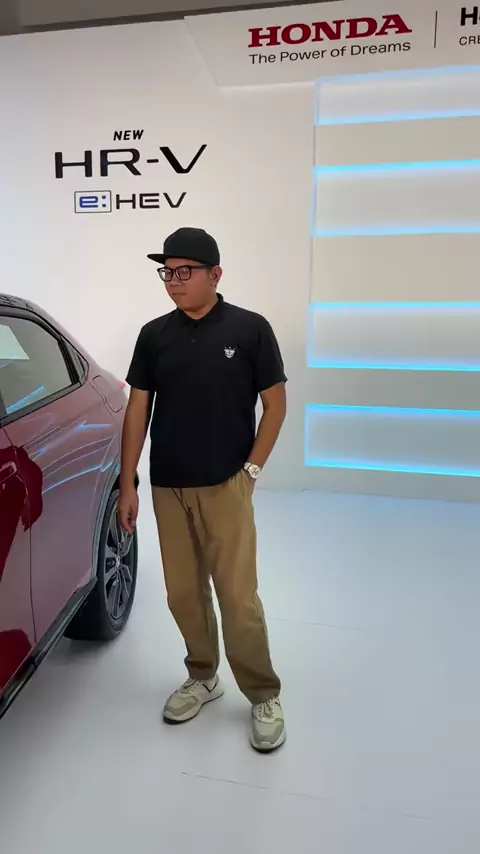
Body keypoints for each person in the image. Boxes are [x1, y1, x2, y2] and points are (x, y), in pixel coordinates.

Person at [118, 227, 287, 752]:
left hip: (225, 483)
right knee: (183, 593)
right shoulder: (154, 335)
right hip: (169, 485)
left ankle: (263, 693)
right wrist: (128, 482)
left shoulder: (250, 329)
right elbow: (137, 410)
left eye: (184, 271)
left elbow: (276, 405)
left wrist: (251, 472)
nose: (173, 281)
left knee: (238, 596)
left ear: (216, 274)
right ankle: (203, 675)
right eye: (167, 272)